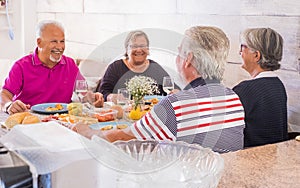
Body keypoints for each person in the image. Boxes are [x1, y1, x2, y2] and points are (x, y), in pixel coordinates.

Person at [75, 26, 245, 153]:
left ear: (188, 59)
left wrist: (85, 131)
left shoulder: (175, 105)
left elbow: (120, 139)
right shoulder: (233, 98)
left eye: (179, 53)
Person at [0, 20, 104, 115]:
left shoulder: (70, 65)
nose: (59, 47)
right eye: (54, 41)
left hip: (62, 121)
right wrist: (8, 105)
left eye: (62, 41)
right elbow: (4, 95)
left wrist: (94, 98)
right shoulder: (20, 66)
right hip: (29, 120)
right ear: (39, 42)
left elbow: (83, 94)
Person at [233, 28, 288, 147]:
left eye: (243, 47)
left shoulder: (244, 91)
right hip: (274, 159)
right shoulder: (278, 85)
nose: (239, 52)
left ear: (256, 55)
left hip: (248, 160)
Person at [98, 30, 176, 103]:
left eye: (142, 46)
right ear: (126, 49)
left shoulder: (155, 68)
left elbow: (173, 88)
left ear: (148, 49)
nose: (139, 50)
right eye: (134, 46)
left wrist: (176, 92)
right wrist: (111, 97)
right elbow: (102, 93)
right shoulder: (115, 68)